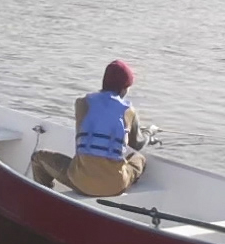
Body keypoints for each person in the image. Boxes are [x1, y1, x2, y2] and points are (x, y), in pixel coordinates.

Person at [30, 59, 151, 198]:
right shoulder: (129, 111)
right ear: (124, 88)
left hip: (80, 182)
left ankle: (45, 199)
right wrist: (148, 134)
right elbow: (136, 144)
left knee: (37, 158)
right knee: (139, 158)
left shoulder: (82, 103)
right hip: (116, 186)